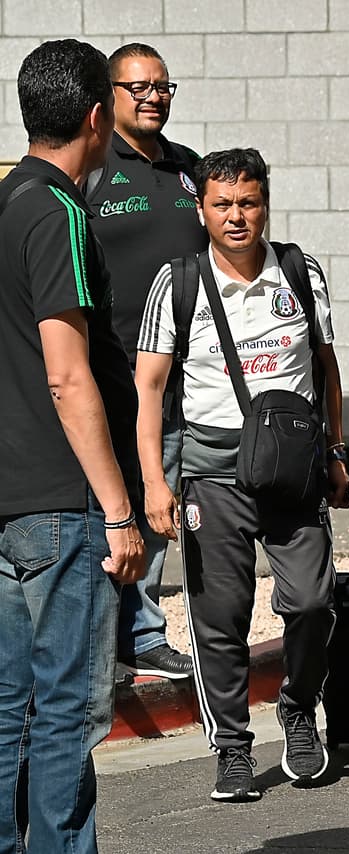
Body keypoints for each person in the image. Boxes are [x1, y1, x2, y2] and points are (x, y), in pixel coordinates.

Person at [134, 148, 349, 803]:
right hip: (212, 474)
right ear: (201, 209)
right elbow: (148, 387)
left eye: (249, 203)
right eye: (223, 205)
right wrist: (154, 481)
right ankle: (232, 748)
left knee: (313, 602)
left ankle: (296, 706)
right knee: (219, 618)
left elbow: (327, 369)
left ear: (266, 204)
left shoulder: (299, 270)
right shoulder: (177, 283)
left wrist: (338, 451)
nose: (237, 217)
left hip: (295, 471)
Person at [0, 38, 146, 853]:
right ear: (97, 116)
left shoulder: (0, 201)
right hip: (63, 505)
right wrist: (119, 511)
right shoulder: (56, 210)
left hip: (8, 503)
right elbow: (67, 375)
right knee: (65, 710)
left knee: (4, 709)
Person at [88, 42, 203, 682]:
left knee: (160, 507)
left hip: (181, 375)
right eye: (140, 87)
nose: (155, 95)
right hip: (111, 374)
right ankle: (105, 641)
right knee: (116, 507)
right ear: (110, 95)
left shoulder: (189, 169)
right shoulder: (95, 165)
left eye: (164, 86)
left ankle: (144, 633)